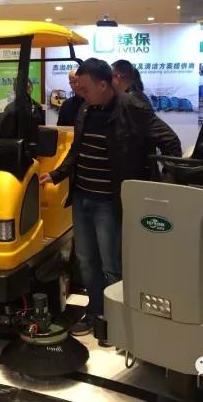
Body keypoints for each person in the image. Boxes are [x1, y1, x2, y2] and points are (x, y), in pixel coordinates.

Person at [39, 58, 181, 336]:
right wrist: (56, 175)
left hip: (110, 202)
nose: (81, 93)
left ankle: (117, 320)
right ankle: (95, 313)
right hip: (82, 198)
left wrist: (164, 183)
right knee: (86, 261)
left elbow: (171, 142)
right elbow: (77, 150)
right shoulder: (85, 109)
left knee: (111, 264)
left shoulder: (132, 108)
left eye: (85, 88)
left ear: (104, 85)